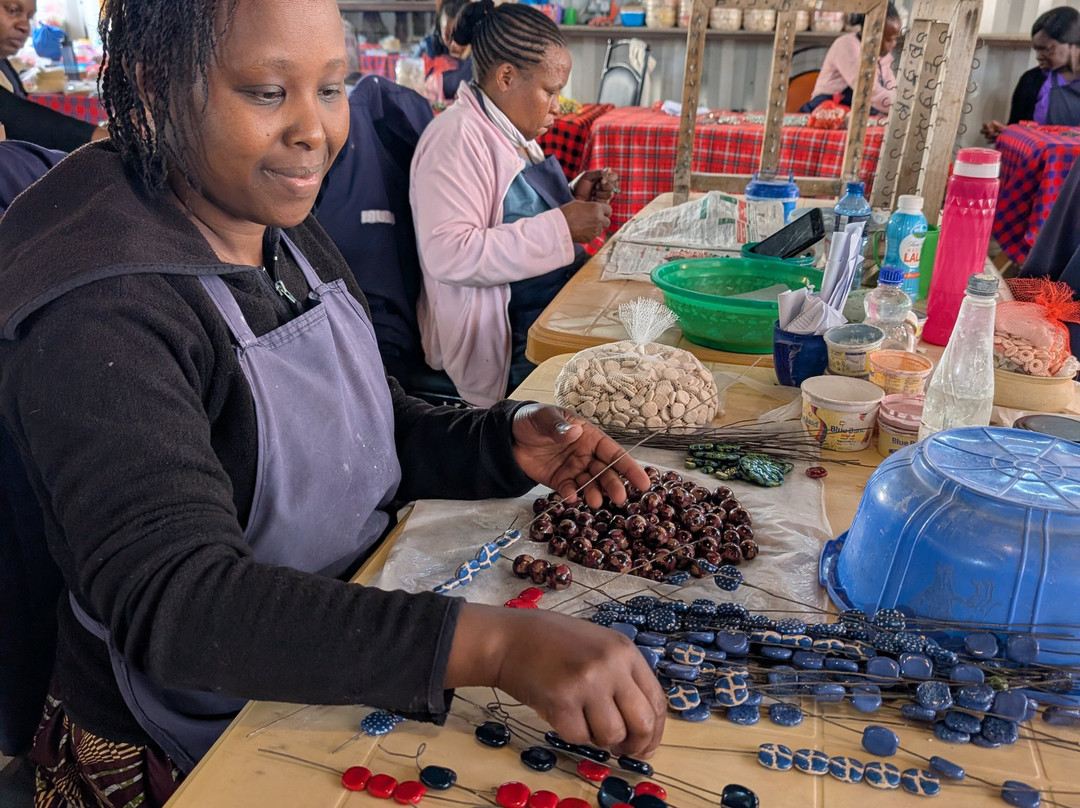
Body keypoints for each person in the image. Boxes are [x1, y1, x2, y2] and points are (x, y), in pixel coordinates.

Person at [0, 0, 666, 804]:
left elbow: (368, 426)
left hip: (330, 656)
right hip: (184, 741)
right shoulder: (101, 309)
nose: (314, 131)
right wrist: (488, 647)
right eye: (267, 92)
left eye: (333, 88)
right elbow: (177, 600)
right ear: (155, 83)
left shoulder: (274, 224)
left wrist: (500, 443)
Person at [410, 0, 617, 407]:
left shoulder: (506, 131)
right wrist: (562, 226)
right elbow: (449, 254)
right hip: (505, 338)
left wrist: (573, 196)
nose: (559, 106)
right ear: (506, 76)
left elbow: (513, 210)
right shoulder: (455, 138)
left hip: (539, 309)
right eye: (551, 91)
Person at [0, 0, 107, 151]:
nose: (24, 26)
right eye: (12, 10)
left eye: (29, 18)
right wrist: (99, 137)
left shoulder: (4, 66)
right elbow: (14, 115)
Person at [982, 7, 1080, 142]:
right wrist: (1004, 134)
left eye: (1046, 49)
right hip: (1036, 161)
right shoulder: (1031, 80)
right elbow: (1016, 128)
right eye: (1037, 50)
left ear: (1072, 45)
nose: (1039, 57)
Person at [803, 2, 902, 116]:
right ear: (872, 32)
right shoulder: (847, 45)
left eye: (895, 39)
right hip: (825, 112)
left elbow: (891, 89)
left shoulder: (885, 57)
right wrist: (903, 107)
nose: (893, 44)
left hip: (857, 113)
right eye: (889, 40)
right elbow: (869, 92)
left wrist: (903, 102)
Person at [423, 0, 474, 103]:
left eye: (460, 35)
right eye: (447, 35)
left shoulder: (478, 55)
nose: (453, 43)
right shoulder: (430, 48)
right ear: (439, 29)